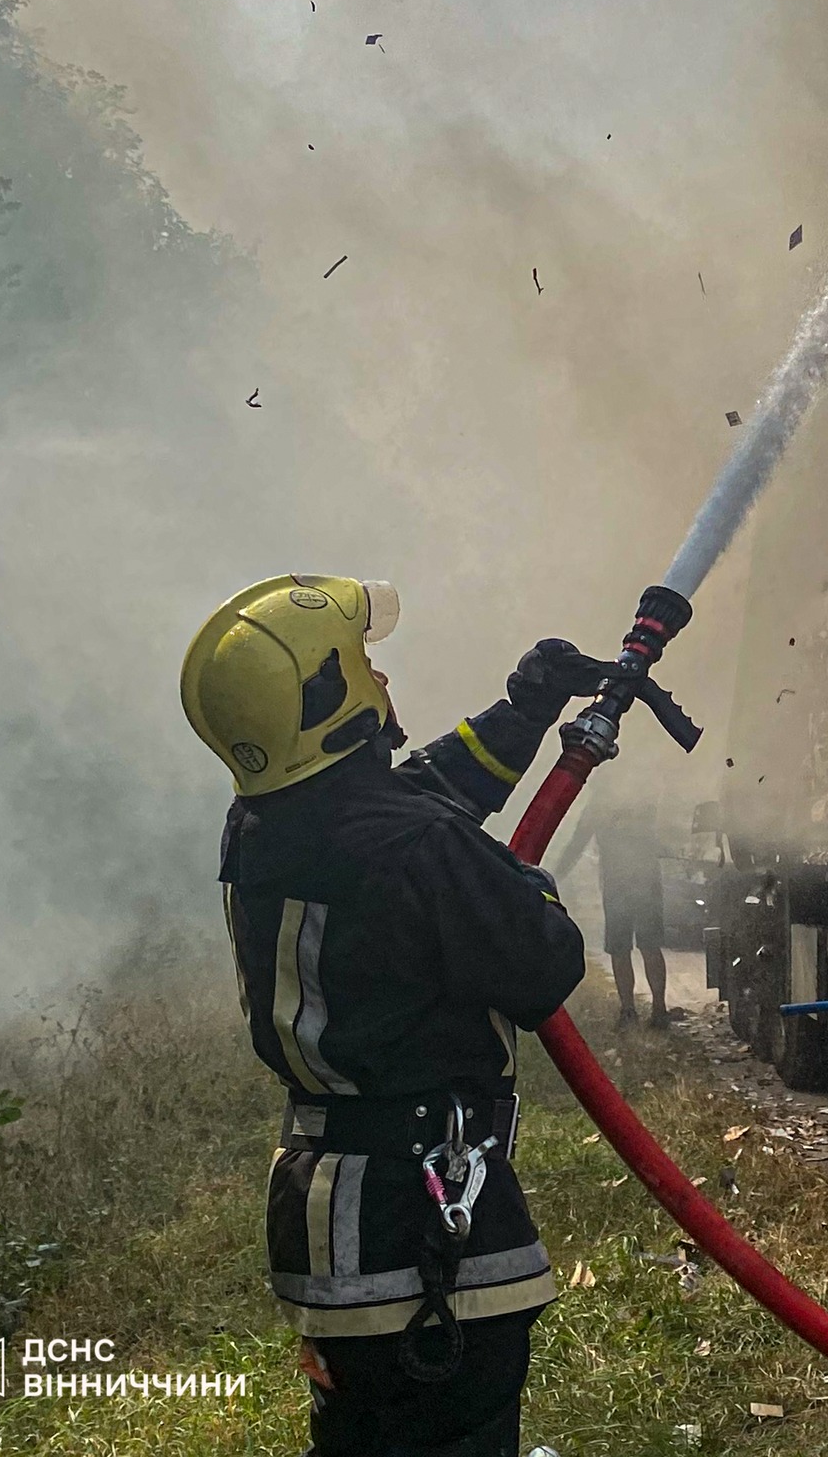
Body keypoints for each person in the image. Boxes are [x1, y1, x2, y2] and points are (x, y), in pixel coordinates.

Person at [181, 573, 612, 1457]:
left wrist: (524, 709)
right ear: (328, 698)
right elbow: (545, 963)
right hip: (423, 1233)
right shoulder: (417, 847)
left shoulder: (267, 823)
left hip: (332, 1225)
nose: (379, 678)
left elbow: (425, 792)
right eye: (361, 663)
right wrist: (526, 885)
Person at [555, 791, 672, 1029]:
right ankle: (654, 1010)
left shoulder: (601, 805)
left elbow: (577, 843)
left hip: (622, 884)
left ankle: (633, 1011)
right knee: (641, 946)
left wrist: (553, 874)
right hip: (639, 882)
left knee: (624, 948)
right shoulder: (642, 798)